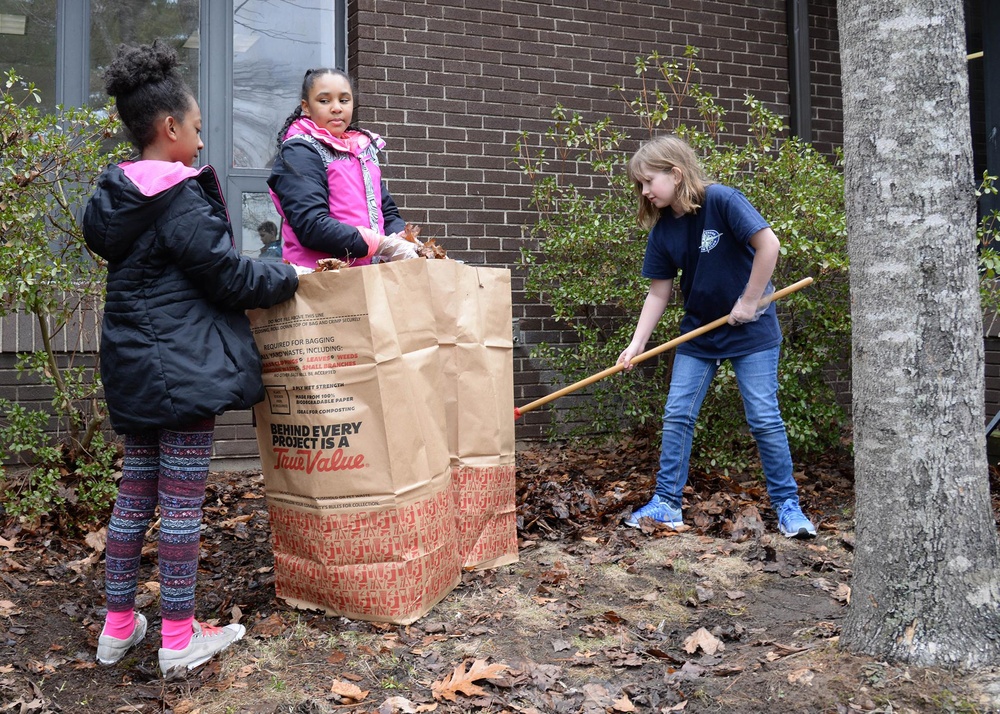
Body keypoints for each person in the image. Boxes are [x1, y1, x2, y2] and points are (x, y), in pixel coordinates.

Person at [82, 40, 299, 678]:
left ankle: (117, 627)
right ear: (170, 127)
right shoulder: (178, 198)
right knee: (180, 504)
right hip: (182, 368)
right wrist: (287, 276)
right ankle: (178, 636)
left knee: (134, 498)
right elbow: (226, 276)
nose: (203, 144)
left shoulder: (116, 199)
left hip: (133, 366)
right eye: (199, 130)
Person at [617, 134, 816, 539]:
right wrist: (638, 343)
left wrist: (749, 300)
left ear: (675, 173)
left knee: (763, 417)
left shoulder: (722, 199)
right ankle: (668, 504)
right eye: (639, 184)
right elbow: (659, 291)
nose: (644, 191)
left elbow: (769, 245)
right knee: (677, 414)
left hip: (752, 330)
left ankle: (788, 508)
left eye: (648, 181)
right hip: (700, 334)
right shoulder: (663, 232)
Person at [267, 68, 418, 269]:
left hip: (367, 275)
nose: (336, 108)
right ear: (306, 107)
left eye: (344, 100)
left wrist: (400, 237)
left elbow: (386, 210)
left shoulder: (362, 150)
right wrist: (380, 244)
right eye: (324, 101)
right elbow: (312, 226)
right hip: (322, 278)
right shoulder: (299, 151)